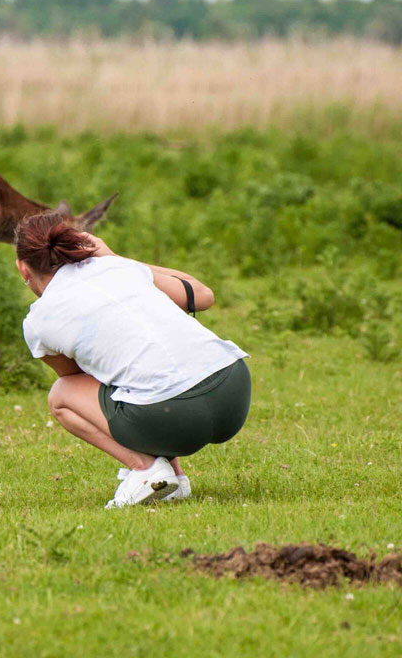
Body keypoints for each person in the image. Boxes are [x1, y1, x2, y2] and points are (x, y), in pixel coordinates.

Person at [14, 212, 251, 508]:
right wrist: (115, 258)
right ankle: (174, 478)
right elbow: (202, 295)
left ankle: (146, 469)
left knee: (62, 396)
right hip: (234, 391)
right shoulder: (117, 268)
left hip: (177, 418)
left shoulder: (39, 320)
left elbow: (76, 378)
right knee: (140, 375)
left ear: (23, 269)